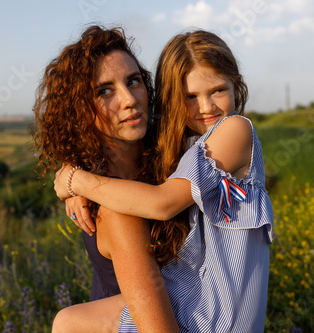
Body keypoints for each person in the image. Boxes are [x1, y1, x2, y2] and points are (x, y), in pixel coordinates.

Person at [55, 29, 274, 332]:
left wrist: (76, 182)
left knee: (68, 322)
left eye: (218, 91)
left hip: (214, 313)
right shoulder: (182, 148)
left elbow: (162, 203)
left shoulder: (234, 131)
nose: (207, 107)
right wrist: (72, 172)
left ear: (236, 86)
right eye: (190, 97)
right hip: (197, 306)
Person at [32, 25, 180, 332]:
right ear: (80, 110)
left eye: (133, 81)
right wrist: (73, 178)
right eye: (104, 91)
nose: (129, 99)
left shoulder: (173, 161)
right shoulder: (114, 210)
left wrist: (73, 179)